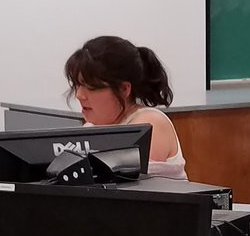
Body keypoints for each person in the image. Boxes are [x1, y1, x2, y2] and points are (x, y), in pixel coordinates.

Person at [65, 35, 187, 180]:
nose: (79, 95)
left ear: (124, 89)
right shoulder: (91, 127)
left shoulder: (150, 122)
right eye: (77, 85)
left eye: (91, 88)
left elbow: (125, 185)